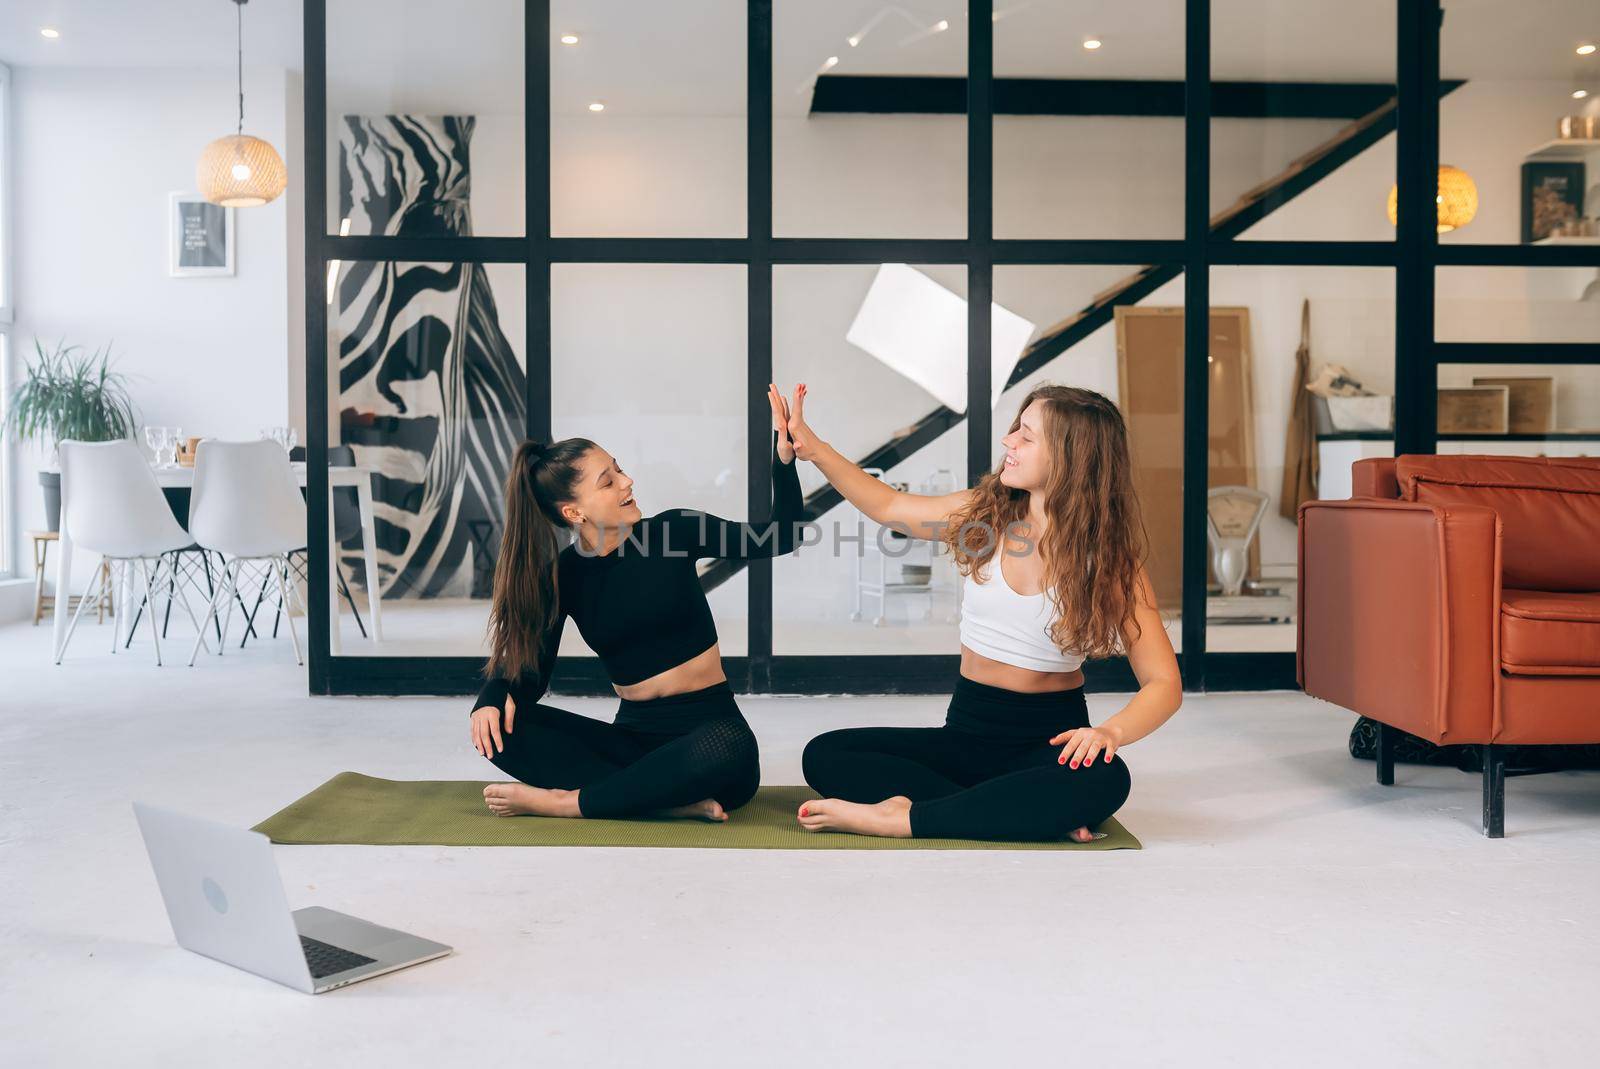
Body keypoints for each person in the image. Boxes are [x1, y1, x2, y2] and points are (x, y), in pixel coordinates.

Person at [790, 383, 1181, 841]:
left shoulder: (1111, 563)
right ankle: (1020, 808)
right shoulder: (986, 514)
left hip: (1047, 744)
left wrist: (1110, 733)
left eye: (1026, 436)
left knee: (1107, 779)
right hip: (965, 736)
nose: (1008, 441)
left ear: (1071, 457)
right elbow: (890, 506)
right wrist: (813, 449)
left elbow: (1164, 683)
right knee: (826, 754)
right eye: (1016, 428)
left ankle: (905, 818)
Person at [468, 384, 804, 822]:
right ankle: (663, 800)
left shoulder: (674, 532)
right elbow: (530, 676)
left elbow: (782, 535)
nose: (627, 482)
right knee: (503, 731)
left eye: (619, 469)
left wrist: (784, 459)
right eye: (608, 481)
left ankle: (573, 803)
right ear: (574, 512)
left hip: (709, 732)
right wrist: (491, 696)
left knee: (728, 747)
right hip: (631, 743)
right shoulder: (563, 576)